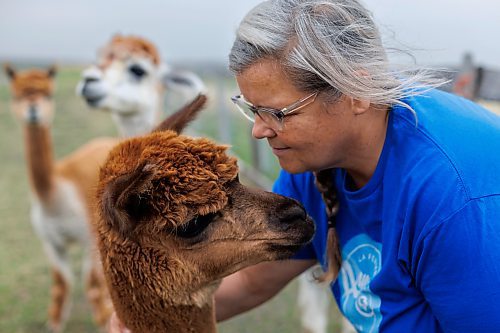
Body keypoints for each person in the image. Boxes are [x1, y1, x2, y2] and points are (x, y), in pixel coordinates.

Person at [110, 0, 500, 332]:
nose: (260, 130)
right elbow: (250, 283)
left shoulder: (456, 201)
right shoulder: (316, 163)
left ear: (354, 92)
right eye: (252, 110)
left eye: (277, 112)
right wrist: (142, 318)